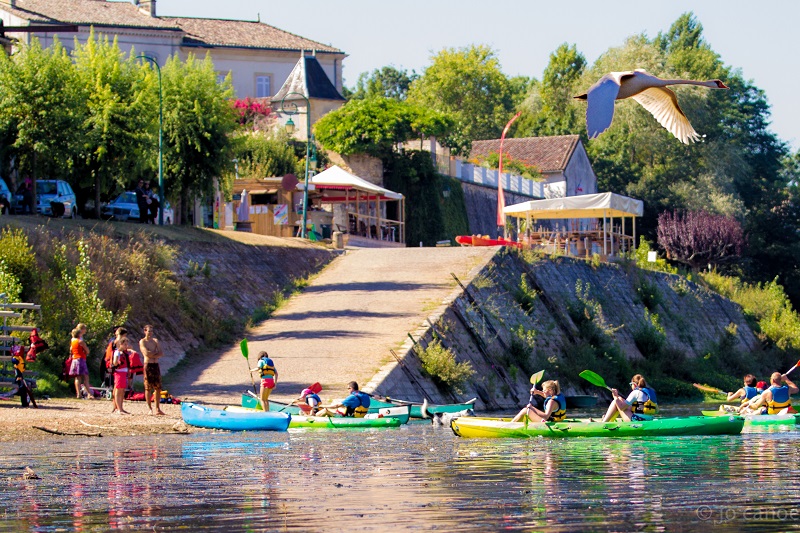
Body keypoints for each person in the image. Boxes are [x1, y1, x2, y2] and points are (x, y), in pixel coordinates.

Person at [139, 324, 165, 416]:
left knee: (158, 387)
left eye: (151, 331)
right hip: (148, 365)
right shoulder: (142, 341)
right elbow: (146, 353)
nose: (150, 333)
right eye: (148, 331)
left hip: (155, 365)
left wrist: (153, 353)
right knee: (148, 387)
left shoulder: (155, 341)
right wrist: (155, 354)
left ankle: (158, 408)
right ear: (145, 331)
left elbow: (161, 353)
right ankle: (150, 408)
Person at [69, 324, 93, 399]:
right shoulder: (80, 341)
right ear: (79, 334)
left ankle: (78, 393)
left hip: (75, 359)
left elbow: (71, 350)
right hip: (81, 359)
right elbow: (87, 351)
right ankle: (89, 394)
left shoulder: (72, 341)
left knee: (77, 377)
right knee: (86, 377)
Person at [111, 337, 132, 414]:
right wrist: (117, 361)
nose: (126, 346)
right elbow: (115, 362)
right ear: (120, 344)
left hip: (123, 373)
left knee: (122, 390)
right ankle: (118, 408)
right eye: (125, 344)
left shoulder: (124, 353)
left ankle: (121, 408)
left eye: (127, 344)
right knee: (118, 390)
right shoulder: (117, 352)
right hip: (119, 373)